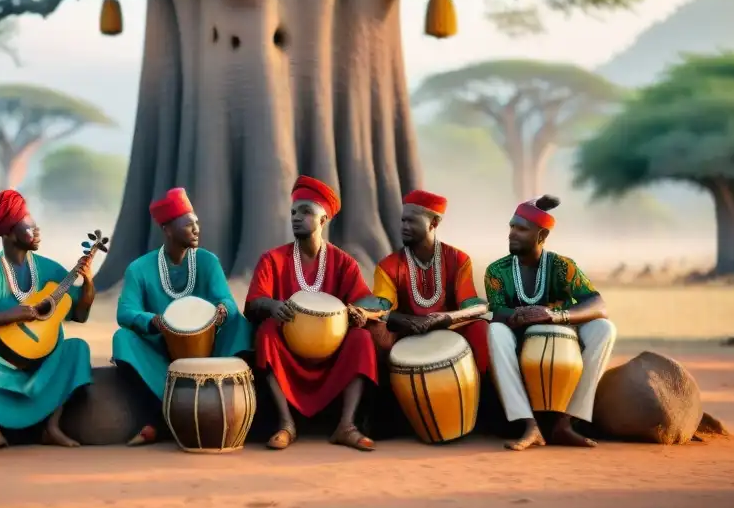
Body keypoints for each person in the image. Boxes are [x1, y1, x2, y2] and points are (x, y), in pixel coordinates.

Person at [0, 189, 99, 458]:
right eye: (29, 227)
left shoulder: (50, 269)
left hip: (45, 359)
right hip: (0, 362)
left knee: (78, 349)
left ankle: (52, 427)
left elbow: (79, 313)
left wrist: (88, 283)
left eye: (36, 226)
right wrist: (16, 314)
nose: (37, 232)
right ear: (8, 233)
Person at [245, 175, 380, 452]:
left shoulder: (344, 262)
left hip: (332, 350)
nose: (296, 217)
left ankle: (346, 425)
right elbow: (254, 302)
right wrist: (272, 305)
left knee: (362, 339)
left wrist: (361, 313)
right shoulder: (272, 259)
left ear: (323, 220)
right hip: (289, 348)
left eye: (306, 211)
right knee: (268, 332)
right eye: (293, 211)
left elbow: (369, 302)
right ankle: (286, 425)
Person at [112, 187, 254, 446]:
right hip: (161, 351)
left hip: (208, 348)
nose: (197, 229)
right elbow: (125, 312)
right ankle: (162, 414)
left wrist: (221, 310)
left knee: (241, 326)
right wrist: (154, 321)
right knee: (123, 340)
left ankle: (233, 405)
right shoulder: (140, 268)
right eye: (189, 224)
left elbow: (228, 303)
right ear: (167, 229)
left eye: (197, 223)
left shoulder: (207, 261)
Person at [484, 195, 617, 452]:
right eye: (512, 226)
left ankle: (565, 421)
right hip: (518, 337)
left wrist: (556, 316)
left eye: (521, 229)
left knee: (605, 329)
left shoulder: (562, 266)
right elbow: (497, 311)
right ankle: (528, 423)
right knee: (495, 331)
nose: (512, 233)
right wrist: (525, 316)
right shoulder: (497, 271)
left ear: (541, 235)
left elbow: (598, 304)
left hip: (564, 338)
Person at [372, 190, 490, 372]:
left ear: (433, 223)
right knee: (375, 331)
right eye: (403, 220)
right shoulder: (388, 265)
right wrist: (410, 321)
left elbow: (476, 307)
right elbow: (380, 310)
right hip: (406, 335)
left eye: (411, 221)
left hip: (451, 331)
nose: (404, 226)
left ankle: (486, 390)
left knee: (480, 327)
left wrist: (448, 317)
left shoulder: (458, 260)